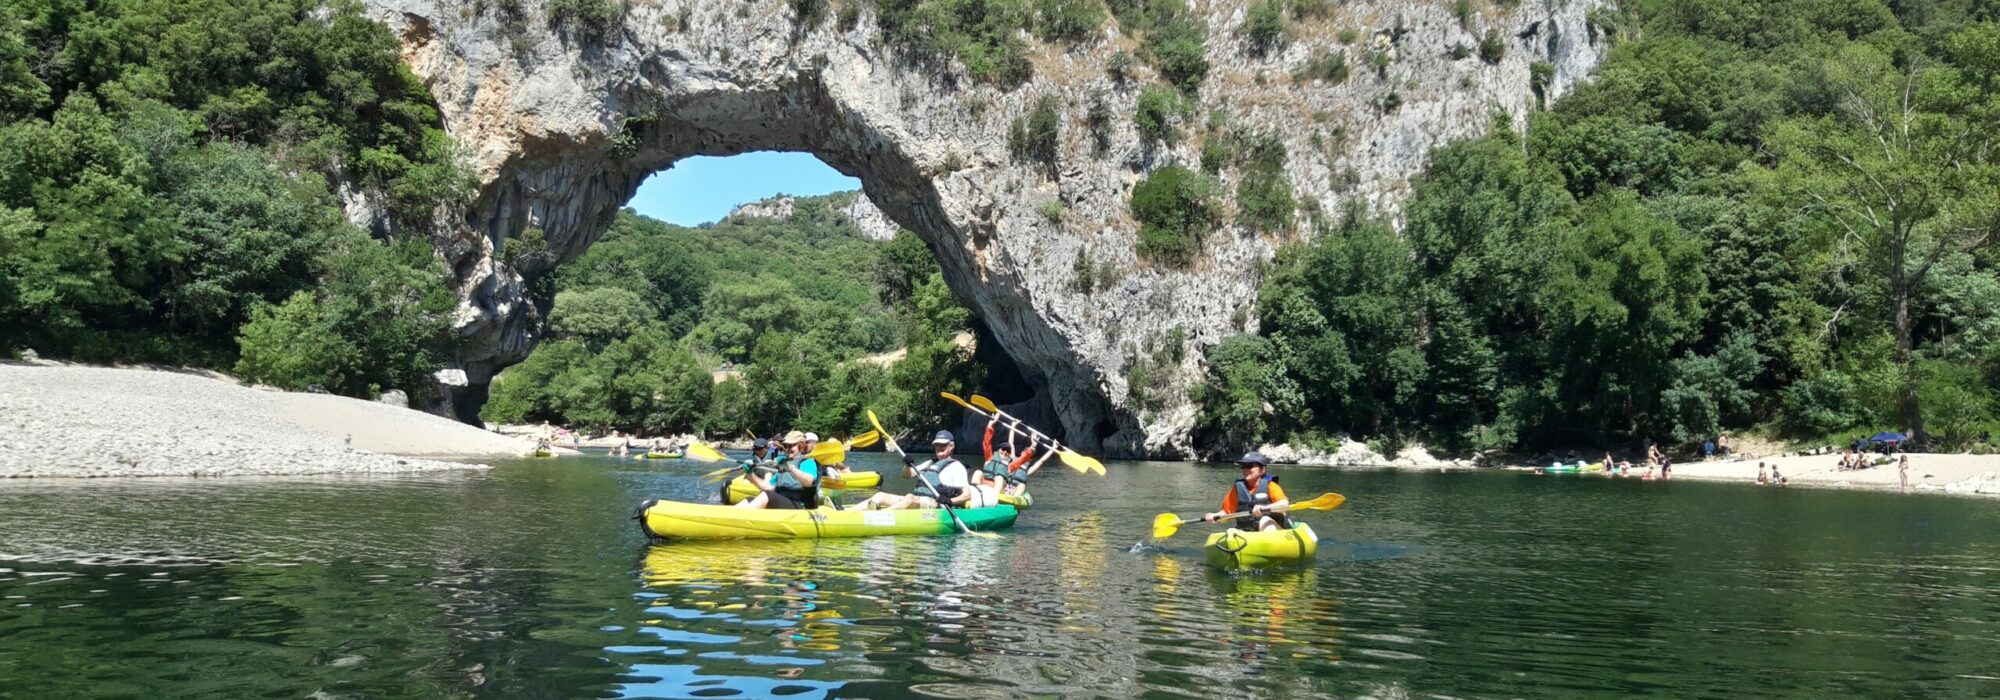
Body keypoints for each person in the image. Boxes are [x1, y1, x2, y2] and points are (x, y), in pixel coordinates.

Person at [862, 431, 985, 510]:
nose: (939, 448)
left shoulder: (957, 467)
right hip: (917, 500)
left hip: (935, 504)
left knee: (909, 498)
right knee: (880, 495)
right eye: (937, 445)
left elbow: (967, 495)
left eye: (943, 445)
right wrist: (907, 464)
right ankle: (844, 513)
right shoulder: (930, 462)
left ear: (951, 446)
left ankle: (877, 517)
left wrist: (949, 501)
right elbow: (907, 475)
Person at [1203, 452, 1291, 532]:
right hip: (1248, 529)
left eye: (1250, 466)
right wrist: (1215, 516)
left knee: (1265, 521)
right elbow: (1227, 513)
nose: (1245, 469)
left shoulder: (1271, 486)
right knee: (1231, 531)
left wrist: (1265, 508)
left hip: (1272, 526)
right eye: (1243, 466)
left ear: (1262, 470)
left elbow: (1284, 504)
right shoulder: (1237, 488)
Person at [738, 431, 819, 510]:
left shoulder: (808, 462)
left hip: (799, 505)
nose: (787, 449)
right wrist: (750, 474)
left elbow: (809, 482)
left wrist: (791, 469)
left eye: (790, 446)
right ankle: (729, 516)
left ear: (801, 446)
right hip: (782, 502)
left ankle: (742, 517)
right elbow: (768, 487)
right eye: (785, 446)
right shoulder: (784, 463)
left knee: (767, 495)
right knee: (749, 500)